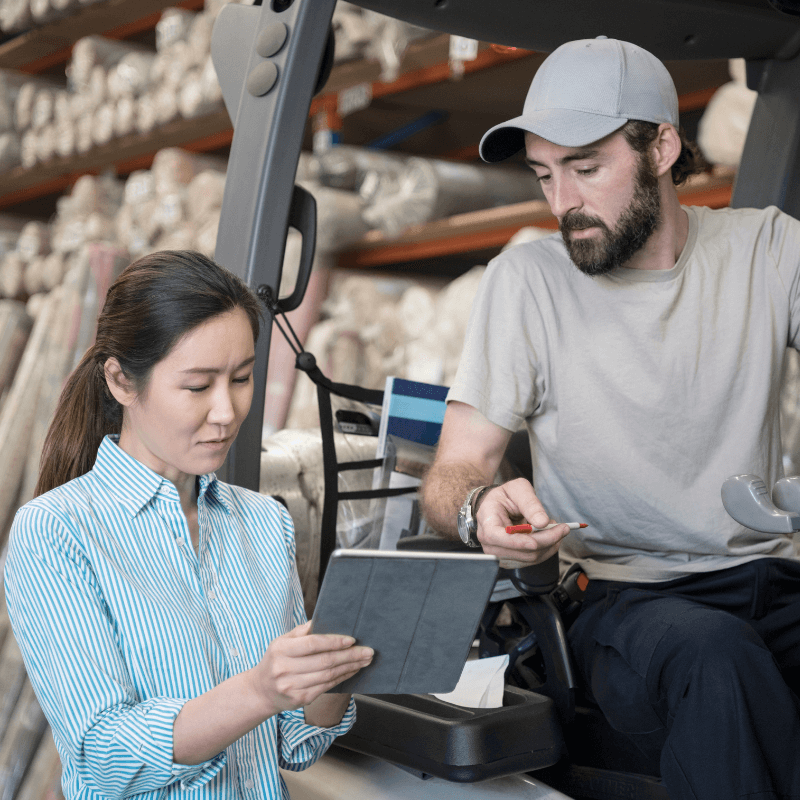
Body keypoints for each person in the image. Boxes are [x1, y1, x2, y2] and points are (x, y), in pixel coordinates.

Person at [420, 37, 800, 799]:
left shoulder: (769, 249)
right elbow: (451, 475)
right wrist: (475, 508)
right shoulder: (527, 281)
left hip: (769, 575)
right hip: (623, 597)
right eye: (544, 174)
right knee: (715, 660)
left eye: (586, 168)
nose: (562, 202)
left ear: (662, 146)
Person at [3, 250, 373, 799]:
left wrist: (338, 669)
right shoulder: (58, 531)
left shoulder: (264, 523)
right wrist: (259, 690)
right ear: (122, 382)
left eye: (242, 378)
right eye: (198, 386)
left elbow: (295, 744)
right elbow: (104, 755)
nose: (226, 412)